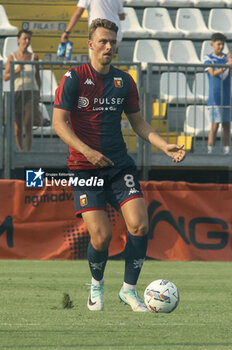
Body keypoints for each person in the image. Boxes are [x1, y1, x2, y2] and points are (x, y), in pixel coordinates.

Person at [53, 19, 186, 312]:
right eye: (103, 41)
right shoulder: (74, 78)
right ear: (90, 44)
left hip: (118, 166)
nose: (109, 46)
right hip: (84, 168)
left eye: (112, 42)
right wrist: (87, 152)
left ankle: (129, 290)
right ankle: (96, 286)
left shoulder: (124, 81)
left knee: (139, 225)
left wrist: (164, 145)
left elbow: (138, 123)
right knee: (101, 236)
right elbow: (58, 123)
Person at [4, 29, 41, 151]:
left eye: (29, 39)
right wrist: (16, 71)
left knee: (27, 124)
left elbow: (37, 77)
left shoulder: (34, 57)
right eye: (25, 38)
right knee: (18, 127)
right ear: (18, 40)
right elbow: (5, 77)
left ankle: (27, 151)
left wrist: (39, 94)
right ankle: (20, 150)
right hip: (17, 93)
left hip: (31, 93)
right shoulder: (12, 57)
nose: (27, 41)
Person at [204, 32, 232, 155]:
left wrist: (230, 59)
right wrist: (226, 66)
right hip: (215, 98)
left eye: (222, 44)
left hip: (226, 97)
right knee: (215, 125)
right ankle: (211, 149)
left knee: (226, 125)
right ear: (212, 44)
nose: (220, 47)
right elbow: (212, 73)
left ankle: (227, 150)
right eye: (218, 44)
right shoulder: (208, 58)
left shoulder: (227, 58)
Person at [61, 0, 125, 44]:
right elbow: (122, 16)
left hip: (100, 33)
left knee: (96, 62)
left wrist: (67, 32)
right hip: (115, 33)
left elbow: (79, 13)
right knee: (107, 61)